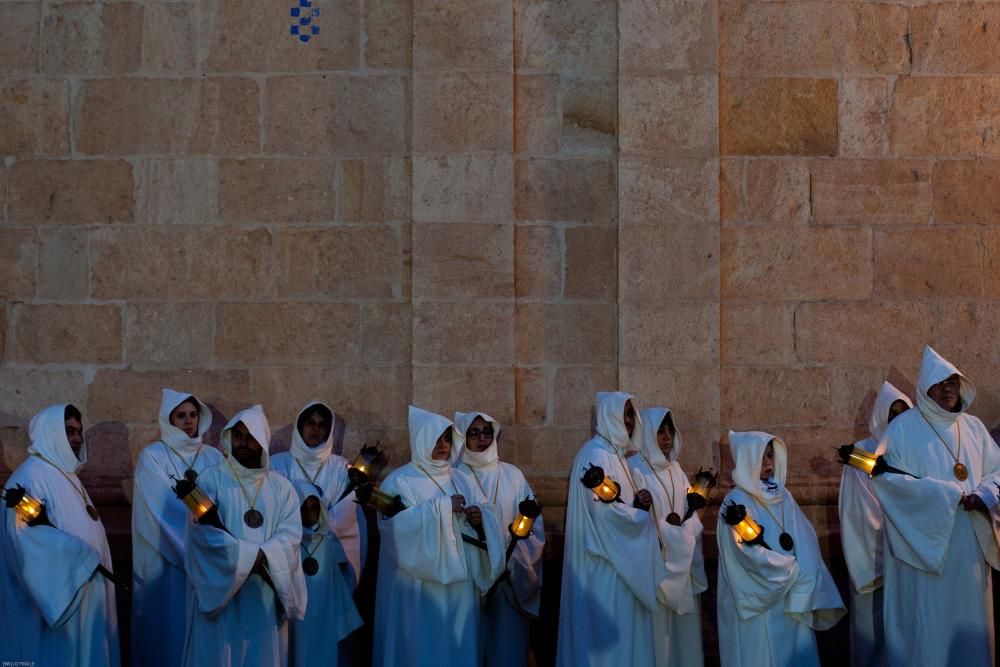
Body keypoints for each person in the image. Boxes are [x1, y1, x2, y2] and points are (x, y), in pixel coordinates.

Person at [872, 346, 1000, 666]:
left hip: (968, 548)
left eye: (954, 383)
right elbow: (887, 479)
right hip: (925, 553)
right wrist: (948, 495)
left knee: (968, 628)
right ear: (925, 386)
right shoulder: (901, 429)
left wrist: (983, 494)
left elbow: (996, 471)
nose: (948, 389)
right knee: (929, 631)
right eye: (941, 382)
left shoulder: (973, 428)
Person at [373, 406, 505, 667]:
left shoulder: (460, 477)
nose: (443, 444)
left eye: (447, 438)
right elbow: (394, 529)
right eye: (437, 438)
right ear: (422, 439)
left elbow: (489, 510)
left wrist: (481, 517)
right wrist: (443, 508)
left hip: (460, 586)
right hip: (420, 588)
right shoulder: (399, 481)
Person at [182, 405, 307, 667]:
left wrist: (259, 556)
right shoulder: (211, 480)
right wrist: (255, 557)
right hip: (222, 595)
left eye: (249, 436)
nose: (242, 442)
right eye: (237, 435)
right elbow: (203, 536)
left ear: (262, 440)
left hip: (263, 595)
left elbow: (291, 535)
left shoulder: (281, 487)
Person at [0, 404, 120, 665]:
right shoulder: (31, 477)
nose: (77, 439)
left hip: (85, 595)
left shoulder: (65, 475)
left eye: (79, 432)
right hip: (61, 601)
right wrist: (82, 558)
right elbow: (25, 544)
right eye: (69, 432)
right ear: (49, 432)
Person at [556, 391, 668, 667]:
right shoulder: (597, 456)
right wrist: (639, 514)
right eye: (624, 413)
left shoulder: (615, 457)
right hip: (605, 569)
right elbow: (607, 517)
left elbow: (620, 507)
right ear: (608, 415)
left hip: (619, 566)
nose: (629, 421)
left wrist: (640, 505)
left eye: (631, 414)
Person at [717, 431, 844, 667]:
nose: (768, 464)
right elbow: (744, 554)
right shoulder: (736, 500)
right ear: (747, 460)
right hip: (759, 603)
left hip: (789, 597)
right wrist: (789, 570)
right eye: (762, 458)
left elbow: (805, 537)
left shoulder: (783, 495)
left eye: (771, 457)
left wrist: (803, 573)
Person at [132, 389, 223, 667]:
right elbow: (159, 512)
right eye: (181, 416)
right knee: (168, 636)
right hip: (169, 561)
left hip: (209, 560)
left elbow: (225, 502)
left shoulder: (214, 456)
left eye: (193, 415)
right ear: (168, 420)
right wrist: (199, 554)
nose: (188, 421)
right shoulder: (153, 456)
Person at [271, 401, 364, 665]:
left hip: (327, 567)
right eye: (310, 423)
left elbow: (350, 517)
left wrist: (319, 530)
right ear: (300, 427)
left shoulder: (341, 468)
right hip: (290, 562)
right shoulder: (278, 465)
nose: (315, 429)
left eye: (322, 424)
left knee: (325, 637)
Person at [454, 411, 545, 666]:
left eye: (487, 432)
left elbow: (533, 526)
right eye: (474, 433)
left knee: (508, 651)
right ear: (462, 437)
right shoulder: (453, 475)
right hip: (470, 581)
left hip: (509, 580)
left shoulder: (512, 475)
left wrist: (513, 559)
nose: (482, 438)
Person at [838, 381, 911, 667]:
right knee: (874, 633)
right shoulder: (862, 452)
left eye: (904, 414)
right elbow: (862, 509)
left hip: (906, 553)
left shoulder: (909, 450)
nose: (898, 421)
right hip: (877, 554)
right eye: (893, 414)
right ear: (881, 416)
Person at [628, 407, 706, 667]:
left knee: (684, 640)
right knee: (658, 640)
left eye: (670, 430)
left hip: (681, 563)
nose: (666, 437)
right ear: (648, 433)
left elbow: (689, 513)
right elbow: (635, 515)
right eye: (660, 431)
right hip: (657, 566)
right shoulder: (635, 468)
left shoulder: (676, 470)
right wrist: (672, 536)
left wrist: (687, 532)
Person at [287, 479, 363, 666]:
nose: (309, 514)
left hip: (324, 615)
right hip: (296, 618)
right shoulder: (288, 543)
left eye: (314, 508)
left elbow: (337, 584)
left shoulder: (328, 544)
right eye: (303, 508)